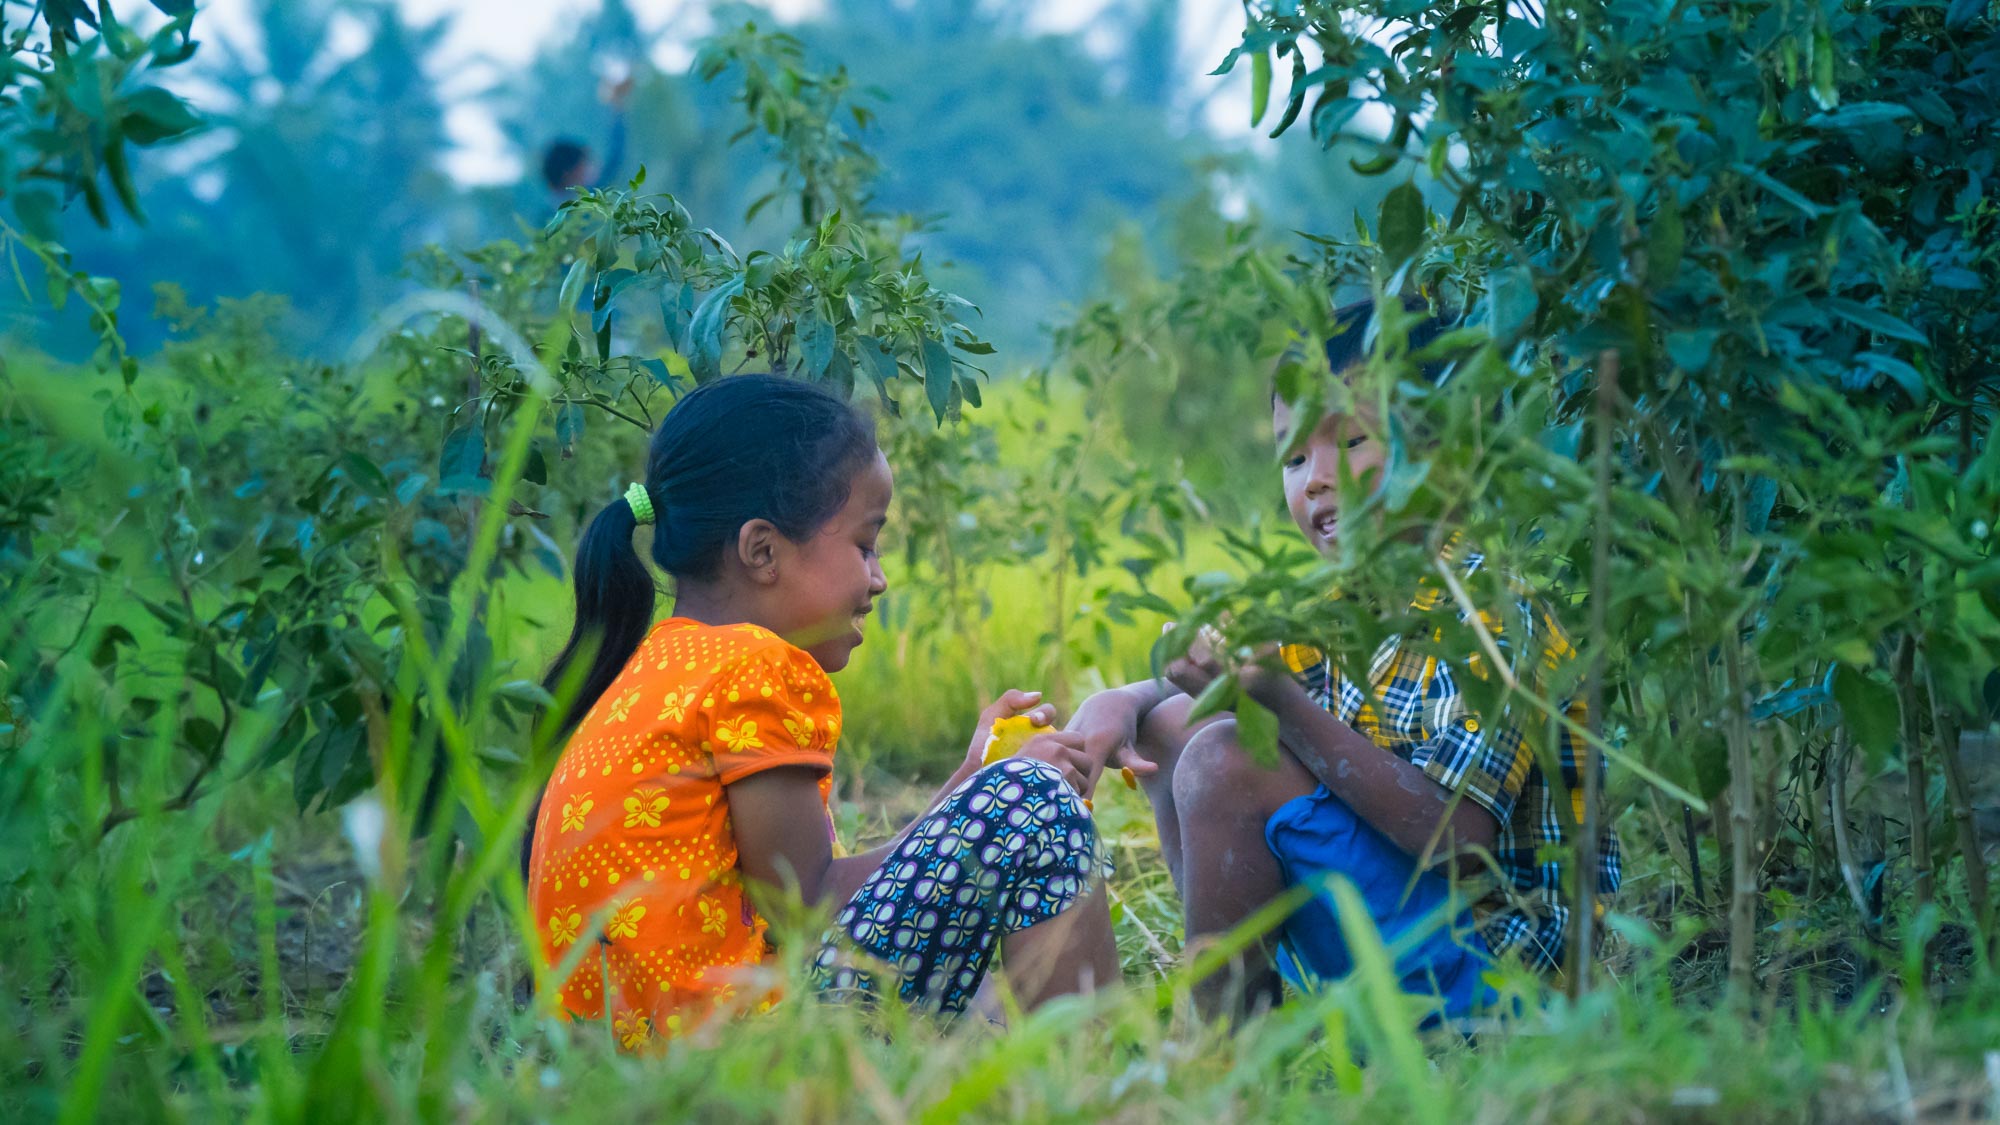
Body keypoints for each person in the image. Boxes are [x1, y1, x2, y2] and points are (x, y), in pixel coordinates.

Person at [1069, 298, 1621, 1022]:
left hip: (1505, 973)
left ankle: (1223, 1042)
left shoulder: (1491, 614)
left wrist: (1279, 701)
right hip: (1411, 930)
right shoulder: (1345, 606)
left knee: (1226, 757)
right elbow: (1213, 685)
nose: (1315, 480)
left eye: (1353, 440)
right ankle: (1258, 1010)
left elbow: (1462, 843)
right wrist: (1124, 700)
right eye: (1294, 457)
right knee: (1176, 724)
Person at [526, 375, 1119, 1048]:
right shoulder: (754, 667)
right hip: (737, 1056)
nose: (878, 577)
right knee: (1037, 805)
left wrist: (971, 779)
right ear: (762, 551)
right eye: (865, 545)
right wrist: (1003, 788)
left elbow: (822, 892)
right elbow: (809, 911)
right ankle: (1104, 1073)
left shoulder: (658, 668)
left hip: (629, 1062)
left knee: (983, 1003)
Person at [541, 73, 633, 200]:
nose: (595, 169)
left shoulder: (558, 206)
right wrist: (616, 107)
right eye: (587, 165)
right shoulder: (584, 204)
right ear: (571, 174)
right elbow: (614, 160)